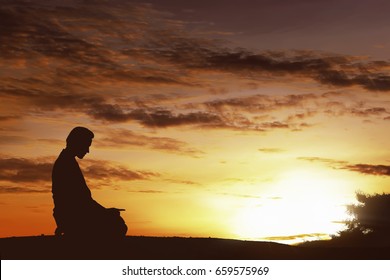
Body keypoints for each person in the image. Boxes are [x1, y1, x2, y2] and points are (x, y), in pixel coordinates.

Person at [52, 126, 127, 239]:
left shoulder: (67, 161)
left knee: (116, 221)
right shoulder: (66, 164)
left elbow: (83, 200)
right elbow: (80, 202)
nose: (87, 150)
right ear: (77, 143)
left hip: (74, 214)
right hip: (74, 217)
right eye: (86, 145)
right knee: (118, 225)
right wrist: (105, 213)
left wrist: (105, 211)